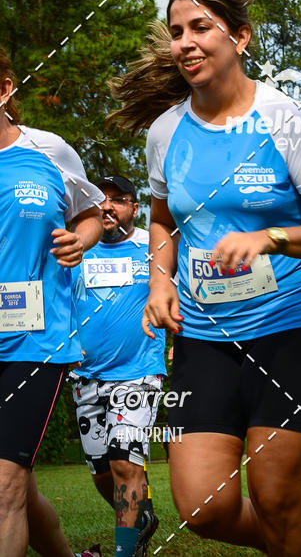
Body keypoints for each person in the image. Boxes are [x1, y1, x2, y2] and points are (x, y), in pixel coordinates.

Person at [109, 0, 301, 555]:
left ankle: (287, 535)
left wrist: (269, 237)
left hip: (290, 329)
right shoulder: (166, 131)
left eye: (200, 27)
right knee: (202, 506)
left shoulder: (285, 119)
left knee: (277, 500)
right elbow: (160, 219)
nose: (185, 42)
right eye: (177, 32)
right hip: (203, 334)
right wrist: (159, 281)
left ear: (240, 37)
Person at [0, 46, 103, 557]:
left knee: (5, 486)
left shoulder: (49, 151)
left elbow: (91, 214)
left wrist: (80, 239)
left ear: (4, 90)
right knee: (16, 486)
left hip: (34, 337)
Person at [71, 174, 167, 557]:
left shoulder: (153, 247)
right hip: (86, 376)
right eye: (100, 199)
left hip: (139, 372)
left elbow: (180, 291)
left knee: (126, 465)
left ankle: (126, 552)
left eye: (118, 199)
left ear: (134, 207)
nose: (107, 206)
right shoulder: (76, 247)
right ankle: (140, 517)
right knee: (102, 473)